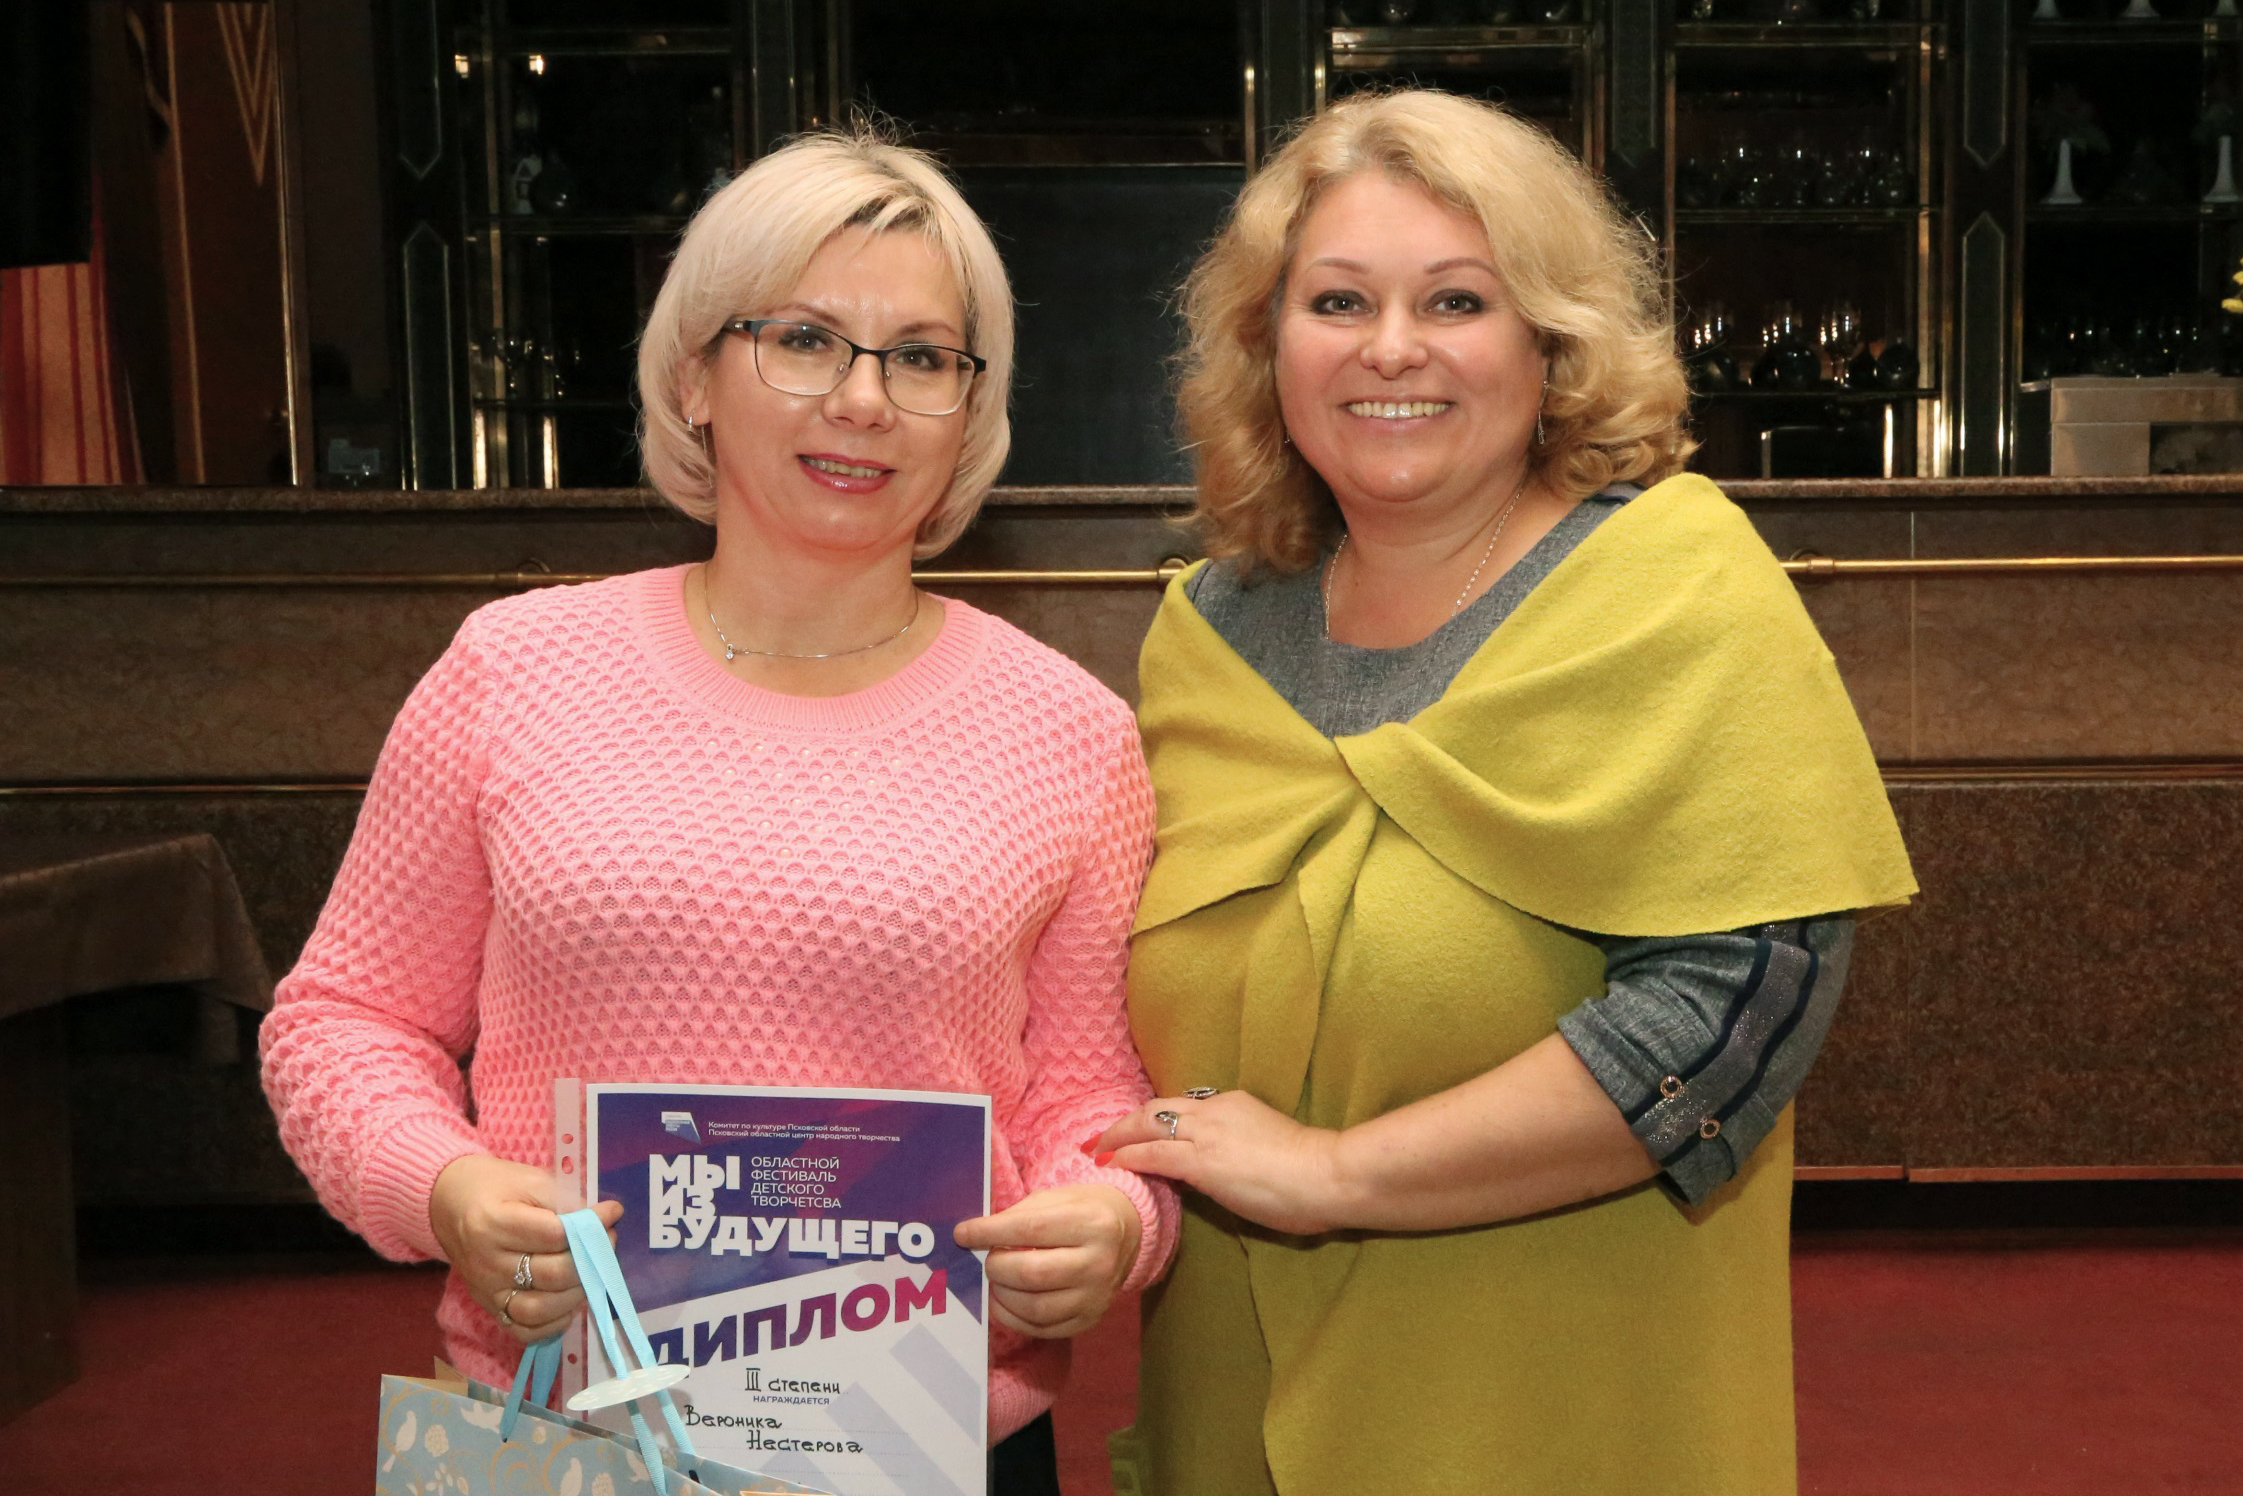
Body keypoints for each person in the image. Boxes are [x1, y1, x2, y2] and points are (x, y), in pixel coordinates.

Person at [259, 128, 1175, 1495]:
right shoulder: (512, 669)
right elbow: (342, 1020)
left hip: (919, 1445)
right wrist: (441, 1186)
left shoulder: (1071, 732)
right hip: (568, 1434)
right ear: (695, 376)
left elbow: (1092, 1095)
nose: (863, 399)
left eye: (923, 357)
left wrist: (1113, 1216)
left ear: (969, 412)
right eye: (802, 339)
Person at [1091, 90, 1917, 1495]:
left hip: (1560, 1401)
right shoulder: (1210, 632)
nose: (1391, 348)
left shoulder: (1675, 585)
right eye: (1337, 301)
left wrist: (1336, 1175)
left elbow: (1736, 1006)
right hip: (1234, 1393)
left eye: (1456, 300)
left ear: (1550, 341)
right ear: (1266, 345)